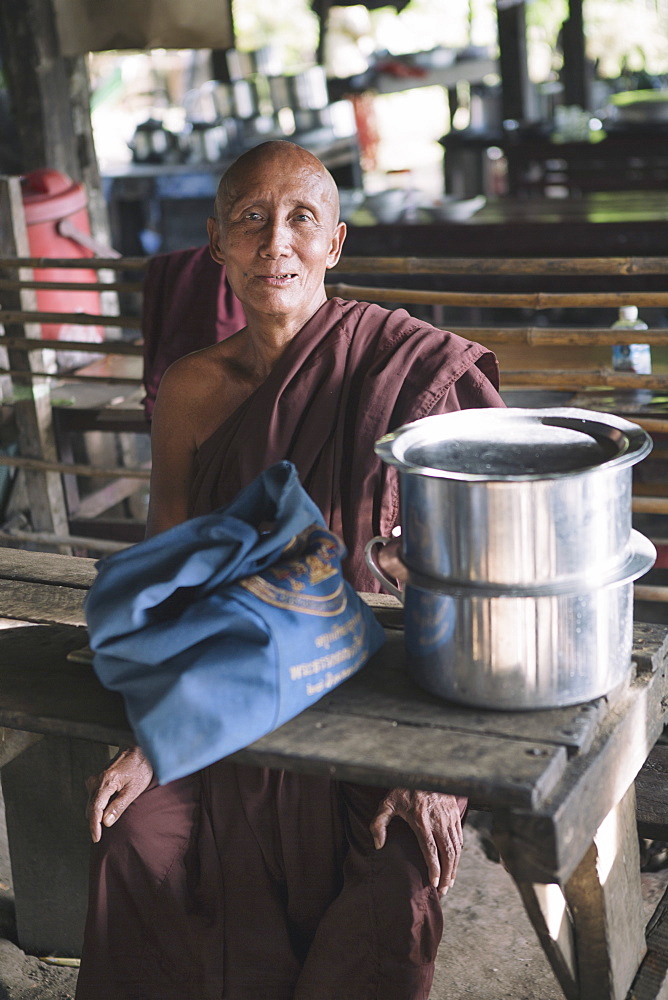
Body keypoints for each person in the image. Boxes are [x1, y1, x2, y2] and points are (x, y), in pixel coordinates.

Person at [75, 140, 504, 1000]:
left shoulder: (398, 369)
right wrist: (160, 736)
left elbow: (474, 591)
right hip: (230, 693)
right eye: (251, 220)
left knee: (392, 884)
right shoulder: (191, 389)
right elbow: (170, 574)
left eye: (302, 219)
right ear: (216, 244)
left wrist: (435, 767)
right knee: (138, 844)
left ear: (335, 245)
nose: (277, 242)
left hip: (377, 696)